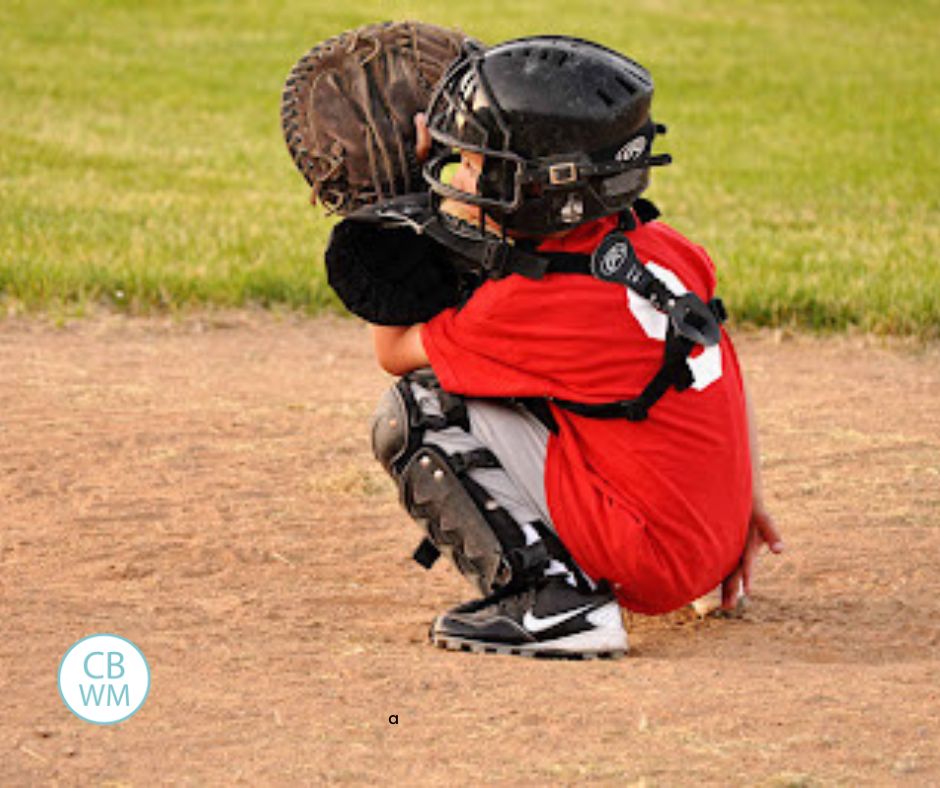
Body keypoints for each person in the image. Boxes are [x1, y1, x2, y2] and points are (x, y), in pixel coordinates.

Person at [367, 35, 783, 659]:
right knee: (530, 384)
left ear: (541, 186)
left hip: (653, 559)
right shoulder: (660, 246)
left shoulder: (531, 305)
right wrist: (739, 500)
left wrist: (393, 203)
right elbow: (720, 363)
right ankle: (653, 554)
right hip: (711, 540)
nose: (459, 175)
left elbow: (394, 345)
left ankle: (554, 605)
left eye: (479, 164)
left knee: (419, 409)